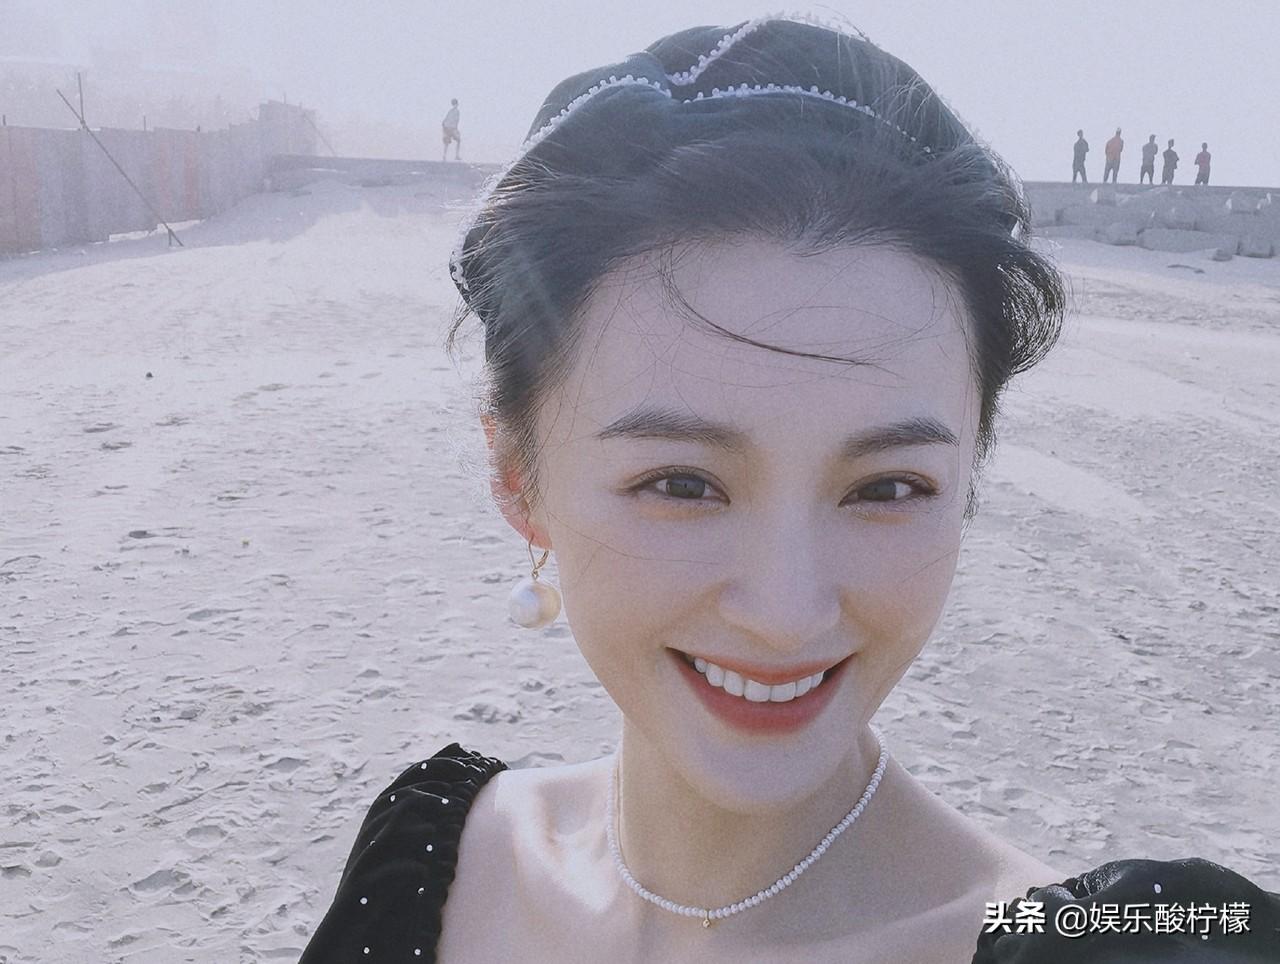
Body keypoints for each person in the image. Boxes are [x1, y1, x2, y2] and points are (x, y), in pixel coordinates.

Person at [299, 17, 1280, 963]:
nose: (784, 614)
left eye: (886, 487)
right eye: (681, 483)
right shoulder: (431, 860)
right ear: (519, 480)